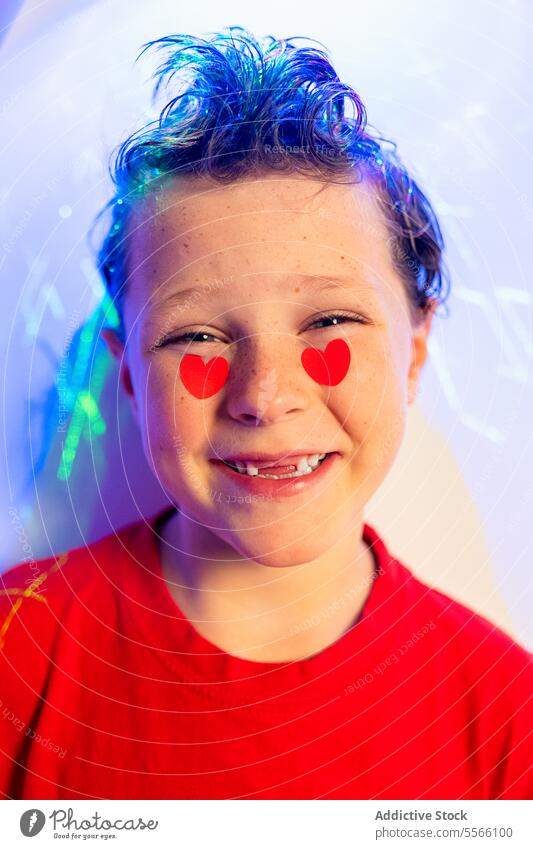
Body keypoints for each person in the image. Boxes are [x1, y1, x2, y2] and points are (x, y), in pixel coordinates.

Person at [1, 28, 531, 801]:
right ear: (125, 372)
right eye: (197, 336)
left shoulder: (508, 720)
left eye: (328, 323)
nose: (264, 395)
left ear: (414, 353)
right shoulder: (16, 647)